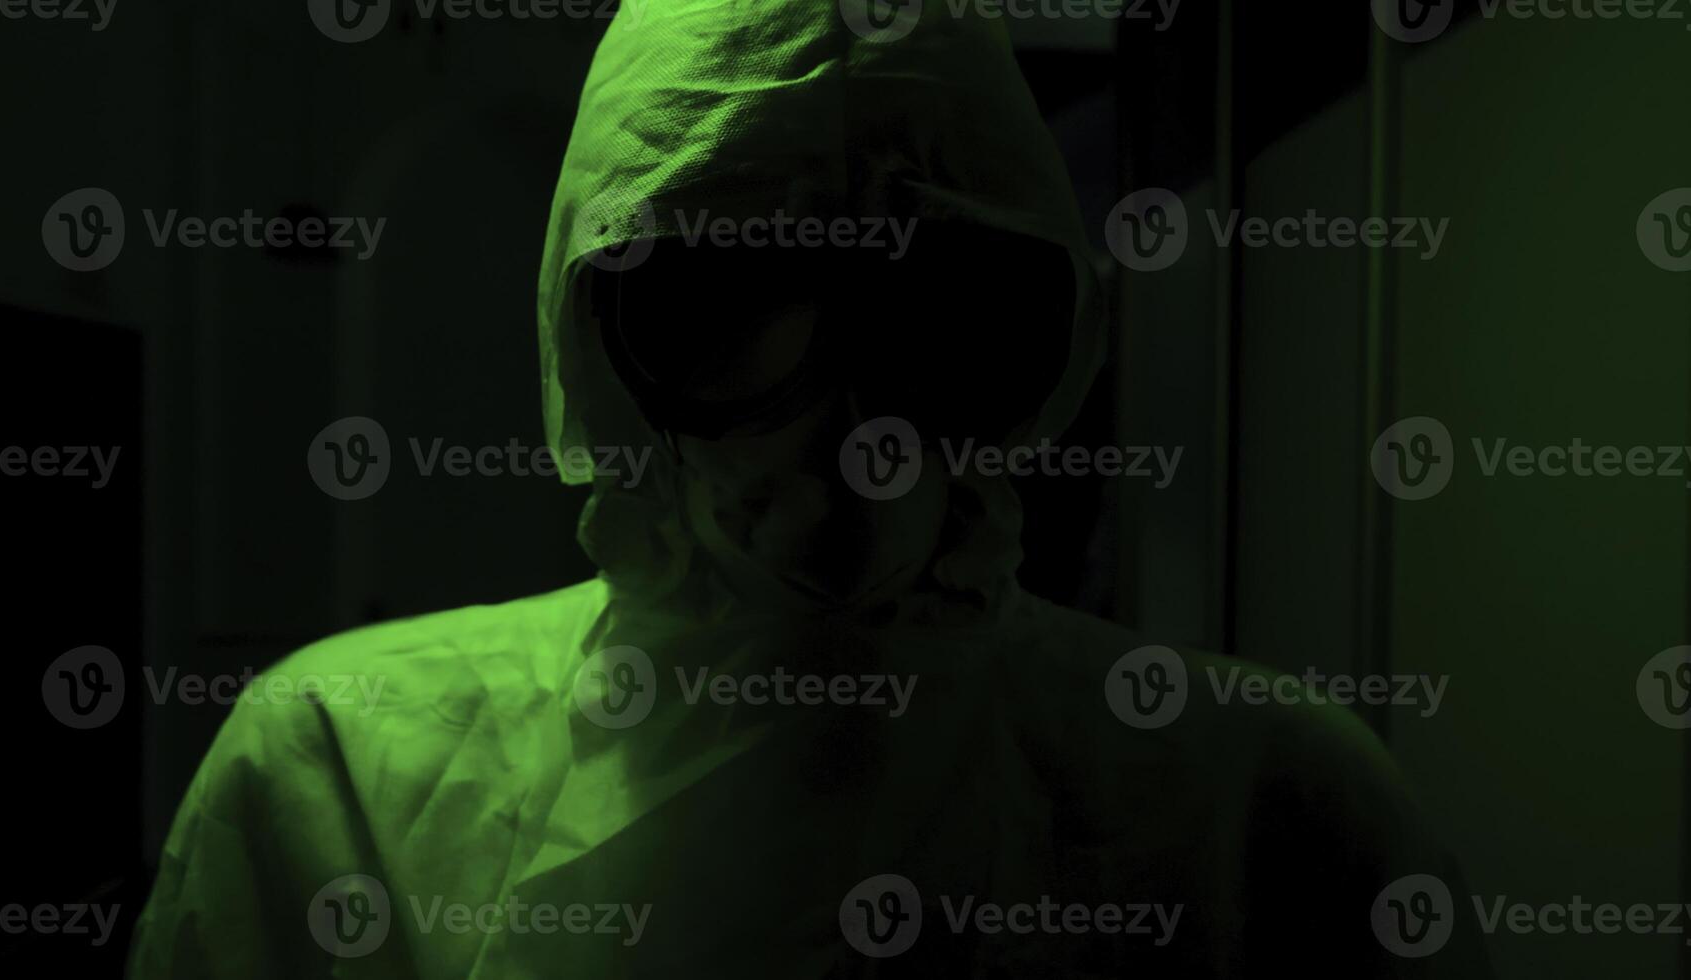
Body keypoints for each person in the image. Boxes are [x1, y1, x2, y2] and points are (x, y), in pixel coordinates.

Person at [129, 1, 1489, 975]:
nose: (852, 431)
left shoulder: (1270, 805)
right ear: (602, 337)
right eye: (732, 298)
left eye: (935, 305)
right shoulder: (337, 763)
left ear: (1041, 340)